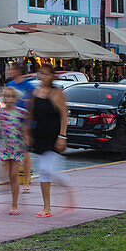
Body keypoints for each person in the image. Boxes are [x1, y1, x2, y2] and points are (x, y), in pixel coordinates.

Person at [25, 64, 75, 217]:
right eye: (41, 73)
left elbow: (64, 115)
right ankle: (47, 207)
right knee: (43, 171)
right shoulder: (35, 93)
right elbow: (30, 115)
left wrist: (62, 136)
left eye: (46, 74)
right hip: (40, 134)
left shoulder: (57, 93)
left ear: (53, 76)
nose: (43, 77)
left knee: (48, 170)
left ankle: (68, 191)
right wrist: (26, 133)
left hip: (54, 136)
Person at [5, 60, 37, 193]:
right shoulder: (9, 85)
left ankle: (26, 181)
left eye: (11, 70)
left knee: (25, 153)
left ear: (17, 71)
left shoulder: (29, 86)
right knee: (9, 153)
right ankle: (12, 179)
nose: (9, 72)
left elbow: (32, 105)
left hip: (25, 122)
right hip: (11, 123)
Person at [0, 86, 27, 215]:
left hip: (17, 147)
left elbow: (27, 124)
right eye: (6, 96)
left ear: (16, 99)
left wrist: (26, 135)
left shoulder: (21, 112)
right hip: (5, 147)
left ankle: (14, 204)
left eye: (12, 96)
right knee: (7, 175)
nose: (9, 99)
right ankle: (12, 193)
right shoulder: (0, 112)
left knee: (14, 175)